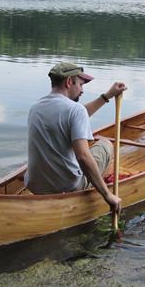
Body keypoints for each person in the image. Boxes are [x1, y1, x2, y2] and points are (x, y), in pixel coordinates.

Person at [24, 61, 127, 213]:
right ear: (69, 82)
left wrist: (107, 96)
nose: (82, 90)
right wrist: (107, 195)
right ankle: (96, 186)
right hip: (67, 187)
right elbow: (83, 156)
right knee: (105, 144)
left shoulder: (36, 107)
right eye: (80, 84)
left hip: (34, 185)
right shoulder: (75, 110)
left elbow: (74, 115)